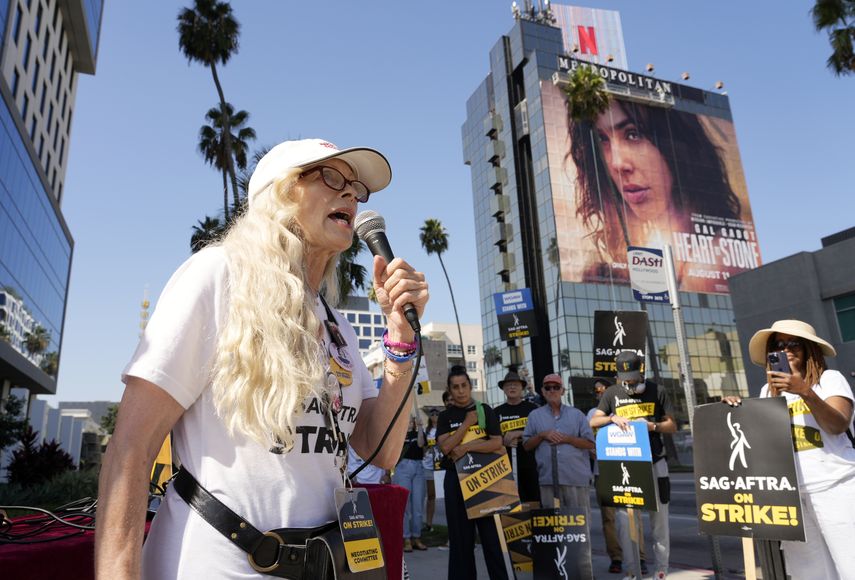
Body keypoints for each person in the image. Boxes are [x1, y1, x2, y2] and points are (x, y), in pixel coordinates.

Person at [95, 138, 430, 579]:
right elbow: (131, 447)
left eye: (356, 187)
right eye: (332, 177)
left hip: (325, 563)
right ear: (280, 193)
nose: (351, 193)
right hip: (218, 564)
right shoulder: (217, 275)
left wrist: (400, 339)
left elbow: (381, 449)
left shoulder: (339, 326)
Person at [723, 320, 855, 579]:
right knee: (809, 573)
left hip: (835, 486)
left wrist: (805, 391)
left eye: (794, 343)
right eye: (778, 344)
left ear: (809, 349)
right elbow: (761, 439)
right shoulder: (767, 391)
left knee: (850, 563)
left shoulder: (829, 380)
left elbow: (838, 425)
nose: (786, 349)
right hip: (790, 496)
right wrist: (736, 409)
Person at [566, 99, 744, 289]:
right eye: (602, 139)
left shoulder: (714, 260)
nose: (617, 163)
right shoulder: (642, 247)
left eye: (633, 134)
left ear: (675, 141)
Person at [589, 352, 676, 580]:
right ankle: (632, 570)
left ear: (641, 372)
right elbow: (593, 421)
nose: (629, 382)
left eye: (633, 377)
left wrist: (653, 426)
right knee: (625, 523)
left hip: (655, 461)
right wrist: (611, 418)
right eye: (624, 378)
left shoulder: (657, 390)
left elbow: (672, 425)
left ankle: (661, 570)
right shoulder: (611, 393)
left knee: (660, 521)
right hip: (626, 464)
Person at [436, 365, 509, 580]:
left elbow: (497, 442)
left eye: (464, 385)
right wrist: (466, 424)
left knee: (492, 539)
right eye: (455, 387)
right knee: (460, 541)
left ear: (470, 386)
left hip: (485, 479)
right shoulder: (445, 416)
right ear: (450, 390)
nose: (461, 391)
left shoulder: (484, 410)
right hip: (456, 481)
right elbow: (445, 448)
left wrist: (467, 447)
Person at [587, 378, 647, 574]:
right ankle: (616, 557)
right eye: (597, 391)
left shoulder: (627, 407)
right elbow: (586, 437)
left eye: (603, 390)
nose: (600, 393)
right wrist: (591, 449)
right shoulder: (591, 413)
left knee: (634, 515)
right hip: (603, 471)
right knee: (609, 518)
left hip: (629, 467)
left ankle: (639, 556)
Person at [522, 374, 594, 510]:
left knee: (580, 522)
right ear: (543, 391)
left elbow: (590, 444)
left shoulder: (577, 414)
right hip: (548, 480)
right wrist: (542, 435)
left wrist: (569, 439)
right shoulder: (534, 416)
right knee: (553, 522)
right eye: (548, 388)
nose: (552, 390)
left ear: (562, 391)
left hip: (575, 478)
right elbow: (526, 446)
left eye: (556, 387)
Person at [494, 371, 541, 504]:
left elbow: (542, 432)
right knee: (511, 505)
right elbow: (491, 437)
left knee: (534, 503)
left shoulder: (533, 409)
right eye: (508, 385)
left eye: (515, 384)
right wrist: (503, 440)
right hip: (506, 467)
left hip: (531, 465)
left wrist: (520, 433)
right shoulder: (496, 412)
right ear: (503, 389)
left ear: (522, 388)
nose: (512, 387)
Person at [393, 416, 427, 552]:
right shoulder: (399, 434)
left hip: (418, 467)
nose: (410, 423)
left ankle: (416, 537)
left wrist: (420, 427)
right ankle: (406, 538)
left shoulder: (419, 433)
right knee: (405, 504)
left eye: (412, 422)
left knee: (418, 505)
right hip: (403, 467)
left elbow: (421, 444)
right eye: (408, 421)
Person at [421, 408, 441, 532]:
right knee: (431, 496)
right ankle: (429, 524)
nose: (434, 415)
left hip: (440, 466)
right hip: (428, 466)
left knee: (444, 496)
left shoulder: (443, 428)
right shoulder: (426, 430)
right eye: (432, 414)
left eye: (437, 413)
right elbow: (422, 447)